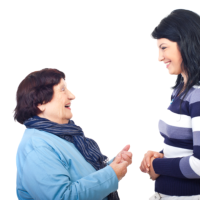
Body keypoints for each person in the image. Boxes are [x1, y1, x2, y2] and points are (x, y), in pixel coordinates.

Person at [15, 68, 132, 200]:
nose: (72, 96)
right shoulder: (37, 147)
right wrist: (111, 175)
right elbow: (63, 197)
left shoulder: (64, 138)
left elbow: (83, 177)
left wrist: (113, 166)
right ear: (40, 103)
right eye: (63, 89)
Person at [140, 9, 200, 200]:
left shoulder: (198, 95)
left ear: (185, 42)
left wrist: (157, 166)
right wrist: (160, 155)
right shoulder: (182, 89)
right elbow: (183, 145)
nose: (160, 57)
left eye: (164, 47)